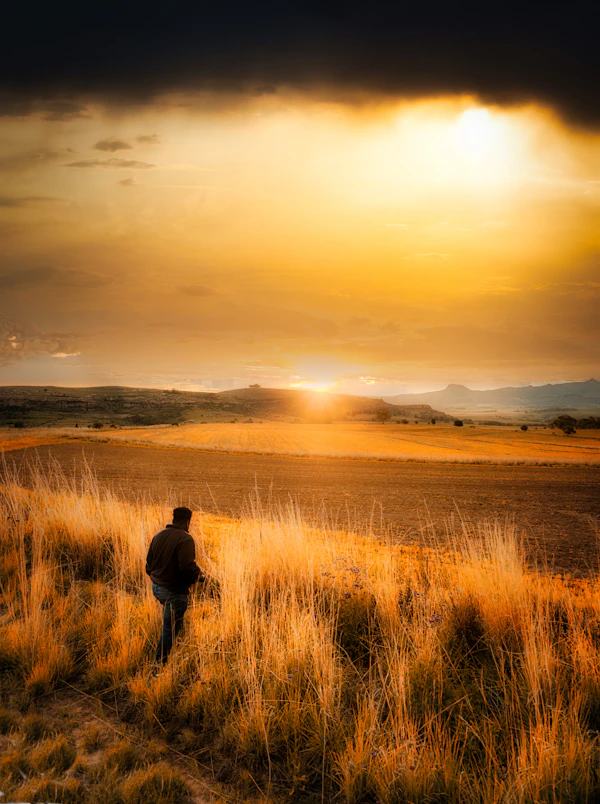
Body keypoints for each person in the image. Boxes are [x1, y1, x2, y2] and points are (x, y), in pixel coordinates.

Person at [146, 506, 204, 664]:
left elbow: (148, 565)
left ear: (174, 518)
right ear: (187, 522)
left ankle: (177, 649)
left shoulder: (158, 536)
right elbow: (186, 566)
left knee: (173, 622)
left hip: (157, 587)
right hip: (174, 592)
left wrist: (158, 578)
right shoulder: (185, 539)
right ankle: (160, 664)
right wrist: (198, 576)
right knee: (169, 629)